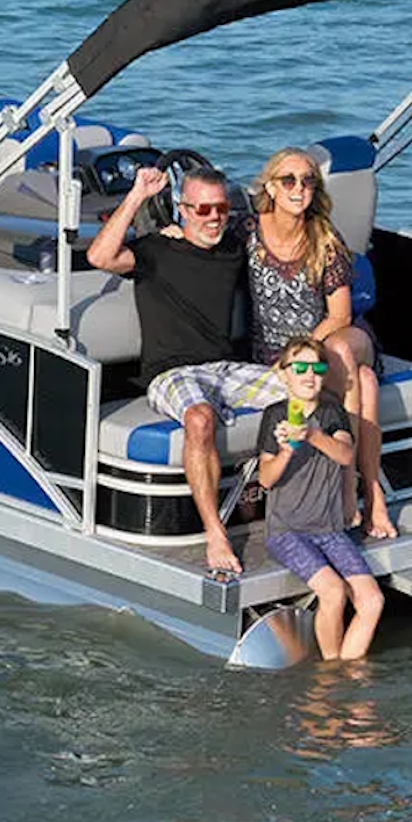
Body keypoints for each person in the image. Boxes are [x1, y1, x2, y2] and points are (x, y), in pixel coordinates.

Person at [87, 164, 286, 575]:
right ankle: (215, 533)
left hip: (226, 368)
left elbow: (280, 220)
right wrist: (138, 195)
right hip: (171, 373)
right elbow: (99, 256)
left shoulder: (234, 246)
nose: (213, 218)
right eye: (203, 210)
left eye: (221, 209)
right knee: (199, 418)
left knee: (307, 392)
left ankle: (293, 501)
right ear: (182, 210)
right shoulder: (156, 250)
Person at [247, 148, 395, 539]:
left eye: (308, 180)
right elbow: (203, 232)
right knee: (365, 383)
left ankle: (347, 488)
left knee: (342, 353)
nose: (299, 188)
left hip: (332, 338)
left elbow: (340, 316)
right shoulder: (248, 231)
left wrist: (299, 352)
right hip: (279, 355)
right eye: (288, 180)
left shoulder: (325, 239)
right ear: (270, 188)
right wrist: (172, 231)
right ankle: (372, 493)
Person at [258, 335, 384, 660]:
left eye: (317, 368)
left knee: (372, 601)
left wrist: (311, 435)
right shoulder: (274, 416)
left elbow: (345, 454)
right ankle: (331, 669)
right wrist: (287, 451)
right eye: (300, 367)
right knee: (333, 592)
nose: (309, 375)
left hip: (328, 530)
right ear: (284, 373)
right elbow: (265, 478)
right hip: (287, 532)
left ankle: (346, 667)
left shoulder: (332, 414)